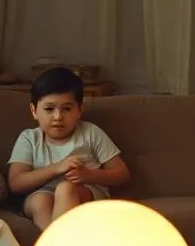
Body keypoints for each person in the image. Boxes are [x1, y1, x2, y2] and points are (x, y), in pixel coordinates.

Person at [8, 66, 130, 230]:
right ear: (34, 111)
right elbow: (16, 183)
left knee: (65, 189)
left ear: (80, 110)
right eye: (49, 109)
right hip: (41, 194)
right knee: (40, 200)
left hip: (84, 192)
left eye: (66, 109)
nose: (58, 117)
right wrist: (57, 168)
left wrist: (88, 175)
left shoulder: (90, 133)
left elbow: (122, 174)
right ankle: (52, 244)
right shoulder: (29, 138)